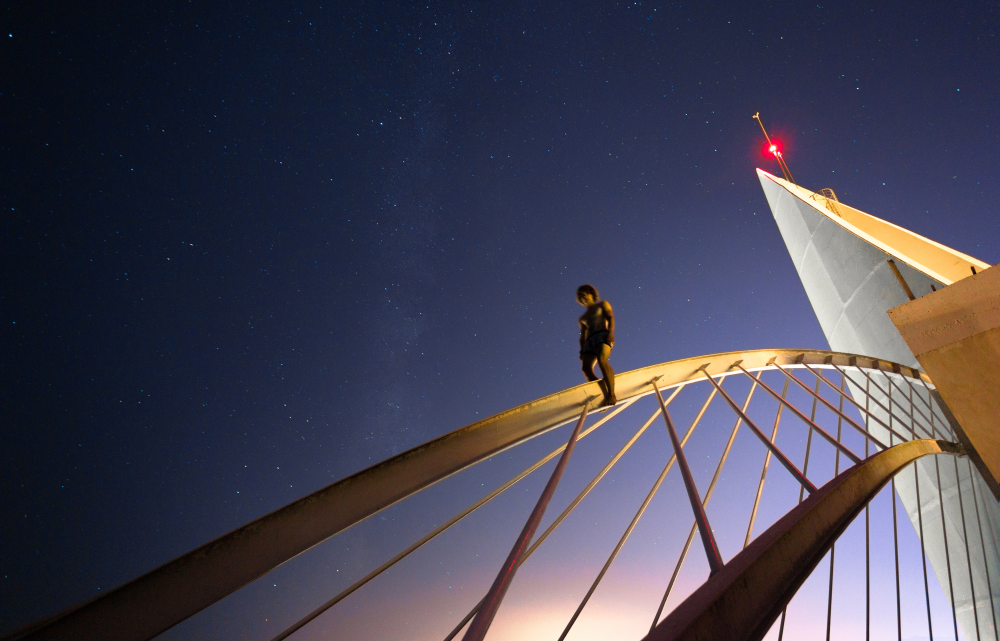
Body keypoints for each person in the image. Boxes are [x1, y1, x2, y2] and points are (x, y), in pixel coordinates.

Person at [576, 284, 616, 406]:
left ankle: (612, 394)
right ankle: (602, 391)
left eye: (585, 294)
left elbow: (610, 318)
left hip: (602, 334)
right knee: (586, 369)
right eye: (581, 296)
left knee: (602, 360)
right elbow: (583, 335)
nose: (583, 297)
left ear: (591, 293)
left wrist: (610, 332)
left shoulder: (602, 304)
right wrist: (582, 350)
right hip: (589, 341)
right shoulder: (582, 318)